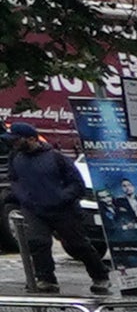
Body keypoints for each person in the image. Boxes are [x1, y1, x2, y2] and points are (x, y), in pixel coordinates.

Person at [9, 121, 107, 296]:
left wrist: (61, 197)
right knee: (38, 242)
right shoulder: (16, 158)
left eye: (17, 139)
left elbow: (77, 184)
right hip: (35, 209)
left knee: (77, 245)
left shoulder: (56, 157)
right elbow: (15, 180)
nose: (14, 143)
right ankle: (46, 279)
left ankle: (100, 276)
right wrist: (23, 197)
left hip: (63, 210)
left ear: (31, 139)